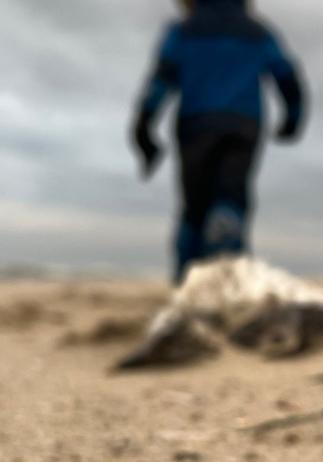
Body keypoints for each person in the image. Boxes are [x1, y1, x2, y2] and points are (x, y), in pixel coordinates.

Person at [131, 0, 308, 285]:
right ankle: (227, 266)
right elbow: (287, 75)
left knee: (194, 204)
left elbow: (161, 79)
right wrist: (294, 116)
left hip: (196, 123)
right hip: (243, 123)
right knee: (231, 193)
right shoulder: (257, 31)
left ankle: (187, 279)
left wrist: (144, 124)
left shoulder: (183, 30)